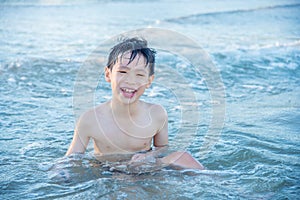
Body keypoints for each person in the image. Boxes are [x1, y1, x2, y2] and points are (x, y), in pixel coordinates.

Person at [66, 37, 204, 170]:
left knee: (183, 157)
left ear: (149, 81)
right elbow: (71, 158)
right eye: (123, 71)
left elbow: (163, 149)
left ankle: (217, 181)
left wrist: (149, 157)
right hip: (109, 172)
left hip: (144, 168)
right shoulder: (90, 119)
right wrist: (60, 173)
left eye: (139, 75)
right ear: (108, 74)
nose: (131, 81)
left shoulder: (156, 113)